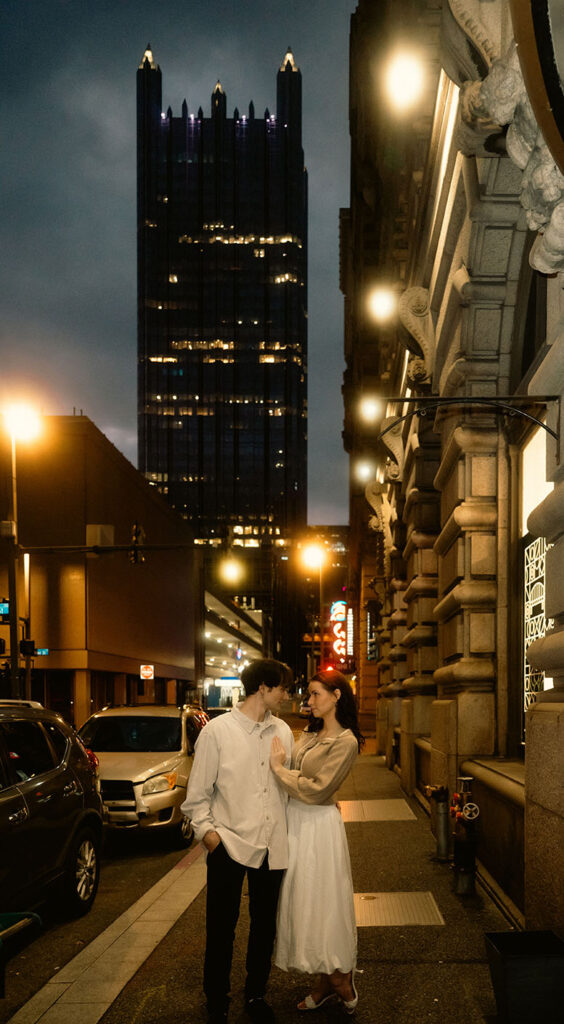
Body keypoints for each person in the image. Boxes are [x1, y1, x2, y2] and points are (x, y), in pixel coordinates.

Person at [182, 658, 293, 1024]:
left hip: (271, 844)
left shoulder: (284, 731)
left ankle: (256, 993)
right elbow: (197, 795)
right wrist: (211, 837)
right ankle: (217, 999)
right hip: (229, 844)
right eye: (282, 688)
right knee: (221, 928)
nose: (287, 696)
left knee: (265, 926)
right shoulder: (217, 732)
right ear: (263, 688)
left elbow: (287, 790)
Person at [269, 668, 364, 1014]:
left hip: (319, 827)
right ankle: (324, 981)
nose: (308, 701)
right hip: (298, 822)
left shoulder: (346, 741)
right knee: (304, 899)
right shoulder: (310, 734)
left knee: (324, 900)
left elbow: (318, 789)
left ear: (337, 696)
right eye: (308, 694)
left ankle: (340, 977)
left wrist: (280, 770)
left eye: (315, 694)